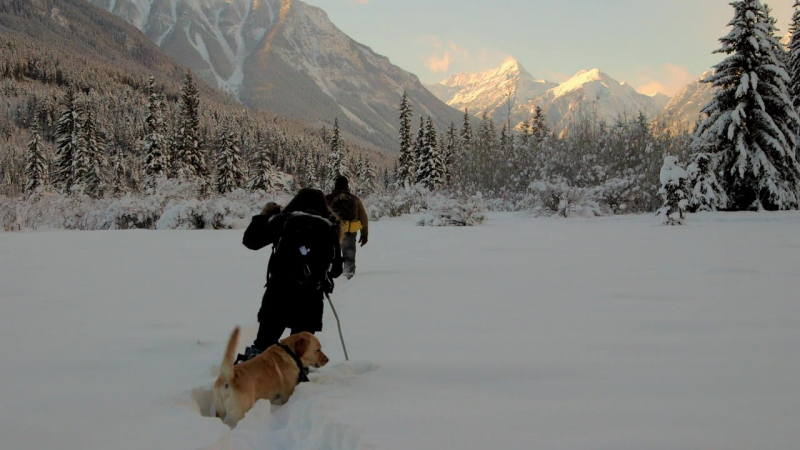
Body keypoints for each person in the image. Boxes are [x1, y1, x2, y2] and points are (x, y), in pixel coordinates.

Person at [238, 188, 344, 363]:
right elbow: (336, 270)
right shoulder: (329, 228)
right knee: (299, 355)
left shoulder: (284, 220)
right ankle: (296, 384)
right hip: (311, 298)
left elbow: (251, 241)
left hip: (279, 292)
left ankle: (254, 380)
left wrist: (264, 215)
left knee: (264, 346)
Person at [325, 176, 368, 279]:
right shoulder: (355, 199)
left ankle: (331, 276)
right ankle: (348, 276)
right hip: (349, 232)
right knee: (349, 255)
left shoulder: (327, 199)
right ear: (347, 185)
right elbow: (363, 218)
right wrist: (364, 235)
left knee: (331, 256)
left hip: (332, 232)